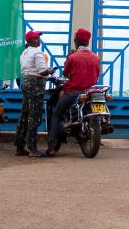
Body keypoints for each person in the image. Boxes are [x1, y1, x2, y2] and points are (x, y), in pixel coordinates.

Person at [46, 28, 101, 155]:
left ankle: (52, 147)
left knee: (56, 113)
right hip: (89, 92)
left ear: (77, 41)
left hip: (73, 91)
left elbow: (66, 74)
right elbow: (97, 74)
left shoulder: (73, 57)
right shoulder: (95, 58)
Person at [15, 30, 52, 158]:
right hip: (36, 84)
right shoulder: (37, 52)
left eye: (39, 38)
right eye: (36, 38)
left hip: (26, 82)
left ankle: (19, 146)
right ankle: (32, 148)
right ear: (30, 41)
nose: (39, 40)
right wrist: (50, 71)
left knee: (24, 114)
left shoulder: (24, 52)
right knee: (34, 115)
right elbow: (42, 71)